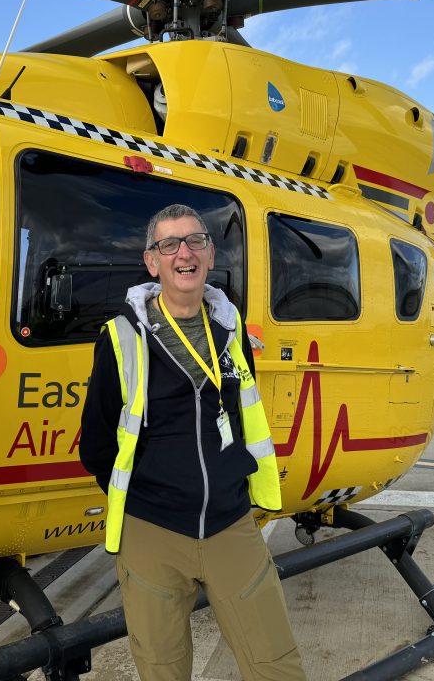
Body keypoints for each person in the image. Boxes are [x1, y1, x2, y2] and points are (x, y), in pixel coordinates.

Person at [80, 204, 305, 681]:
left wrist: (229, 485)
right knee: (163, 671)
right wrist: (150, 495)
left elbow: (241, 416)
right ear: (153, 262)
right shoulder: (121, 337)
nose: (184, 252)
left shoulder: (229, 328)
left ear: (209, 252)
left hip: (230, 524)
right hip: (153, 532)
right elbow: (96, 444)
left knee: (277, 665)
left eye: (194, 241)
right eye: (169, 245)